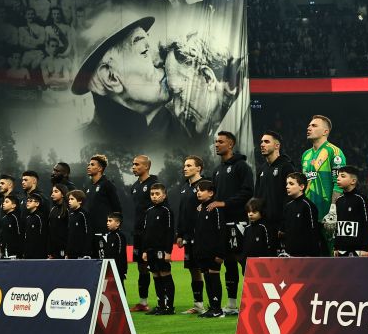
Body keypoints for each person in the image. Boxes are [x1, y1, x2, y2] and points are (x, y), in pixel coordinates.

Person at [71, 13, 183, 149]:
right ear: (110, 77)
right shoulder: (77, 146)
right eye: (144, 51)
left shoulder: (186, 132)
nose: (161, 60)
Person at [161, 32, 243, 141]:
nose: (177, 111)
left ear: (208, 78)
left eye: (179, 92)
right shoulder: (228, 119)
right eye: (173, 96)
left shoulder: (246, 114)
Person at [208, 131, 253, 315]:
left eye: (221, 142)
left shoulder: (242, 167)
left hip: (239, 221)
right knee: (228, 262)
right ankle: (232, 304)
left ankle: (252, 302)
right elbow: (214, 196)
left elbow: (248, 192)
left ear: (231, 144)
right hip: (223, 223)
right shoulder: (217, 170)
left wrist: (225, 203)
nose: (217, 144)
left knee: (243, 261)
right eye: (216, 142)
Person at [301, 115, 347, 253]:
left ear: (325, 132)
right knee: (310, 257)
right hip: (309, 215)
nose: (309, 128)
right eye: (309, 125)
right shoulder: (305, 155)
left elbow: (339, 183)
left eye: (314, 125)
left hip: (327, 215)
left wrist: (333, 209)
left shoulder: (334, 152)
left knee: (331, 256)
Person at [177, 155, 207, 314]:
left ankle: (214, 305)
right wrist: (180, 234)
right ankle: (198, 305)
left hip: (202, 235)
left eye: (189, 165)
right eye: (184, 165)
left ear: (198, 168)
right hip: (188, 236)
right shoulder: (184, 187)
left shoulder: (205, 185)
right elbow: (182, 212)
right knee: (193, 270)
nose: (185, 168)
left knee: (207, 270)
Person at [192, 179, 226, 318]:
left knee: (213, 276)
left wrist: (220, 254)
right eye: (197, 190)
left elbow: (221, 232)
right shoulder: (200, 209)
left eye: (202, 190)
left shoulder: (216, 209)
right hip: (203, 252)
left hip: (214, 253)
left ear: (211, 193)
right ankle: (212, 307)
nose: (198, 193)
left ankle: (217, 308)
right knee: (207, 277)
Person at [255, 131, 297, 242]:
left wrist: (284, 224)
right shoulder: (261, 169)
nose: (262, 144)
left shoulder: (287, 166)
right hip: (263, 224)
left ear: (277, 146)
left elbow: (291, 197)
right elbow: (257, 197)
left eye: (266, 142)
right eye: (261, 142)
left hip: (281, 226)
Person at [130, 155, 159, 312]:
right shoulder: (135, 186)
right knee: (141, 267)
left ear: (146, 166)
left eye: (137, 164)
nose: (133, 167)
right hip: (138, 233)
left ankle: (163, 302)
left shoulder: (154, 184)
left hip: (151, 233)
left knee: (156, 267)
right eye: (133, 164)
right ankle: (143, 302)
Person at [142, 183, 176, 315]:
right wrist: (145, 250)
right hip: (150, 250)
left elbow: (170, 232)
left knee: (164, 274)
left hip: (162, 250)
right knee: (155, 275)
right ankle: (160, 305)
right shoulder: (149, 211)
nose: (154, 196)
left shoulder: (167, 211)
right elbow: (146, 232)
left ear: (164, 195)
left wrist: (168, 252)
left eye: (157, 194)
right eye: (152, 194)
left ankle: (169, 307)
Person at [333, 166, 368, 257]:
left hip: (358, 250)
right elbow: (337, 226)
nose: (338, 178)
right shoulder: (339, 200)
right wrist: (336, 246)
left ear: (353, 181)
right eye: (338, 176)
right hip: (341, 250)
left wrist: (365, 248)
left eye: (343, 176)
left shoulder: (362, 200)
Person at [281, 172, 320, 257]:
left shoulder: (308, 206)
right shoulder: (288, 206)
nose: (287, 186)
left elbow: (313, 233)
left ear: (301, 187)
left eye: (291, 184)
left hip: (306, 256)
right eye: (287, 184)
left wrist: (311, 256)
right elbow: (285, 231)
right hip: (289, 254)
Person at [84, 154, 122, 238]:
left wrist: (116, 226)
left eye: (92, 165)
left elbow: (117, 207)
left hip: (104, 230)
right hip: (90, 229)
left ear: (100, 168)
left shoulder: (107, 184)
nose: (88, 167)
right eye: (88, 164)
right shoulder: (88, 186)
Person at [241, 198, 272, 267]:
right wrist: (243, 262)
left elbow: (269, 247)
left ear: (261, 212)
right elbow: (244, 248)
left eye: (254, 212)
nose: (250, 214)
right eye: (249, 212)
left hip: (263, 264)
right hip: (249, 264)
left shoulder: (264, 227)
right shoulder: (247, 228)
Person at [101, 213, 128, 283]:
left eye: (110, 221)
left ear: (117, 223)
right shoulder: (108, 236)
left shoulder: (120, 236)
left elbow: (121, 254)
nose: (107, 223)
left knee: (119, 287)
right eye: (107, 221)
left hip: (117, 269)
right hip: (108, 268)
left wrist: (123, 271)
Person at [66, 190, 92, 259]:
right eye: (69, 199)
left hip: (81, 253)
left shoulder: (83, 214)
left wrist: (86, 252)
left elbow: (88, 233)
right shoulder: (71, 214)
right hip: (71, 253)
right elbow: (70, 235)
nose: (69, 201)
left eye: (72, 199)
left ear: (80, 201)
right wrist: (67, 252)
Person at [47, 183, 70, 259]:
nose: (52, 194)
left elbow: (70, 232)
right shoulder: (53, 209)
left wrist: (68, 251)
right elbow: (50, 231)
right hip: (54, 250)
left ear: (63, 194)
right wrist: (49, 251)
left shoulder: (68, 210)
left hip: (65, 249)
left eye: (56, 191)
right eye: (52, 192)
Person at [0, 195, 24, 259]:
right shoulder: (3, 218)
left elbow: (20, 235)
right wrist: (1, 250)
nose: (3, 203)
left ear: (13, 205)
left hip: (15, 253)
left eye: (7, 202)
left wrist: (20, 253)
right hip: (4, 252)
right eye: (3, 202)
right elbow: (2, 235)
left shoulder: (16, 217)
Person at [23, 194, 48, 259]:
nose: (28, 203)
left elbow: (43, 236)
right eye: (27, 201)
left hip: (38, 253)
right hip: (28, 252)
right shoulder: (27, 217)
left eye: (30, 201)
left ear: (37, 204)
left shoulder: (40, 217)